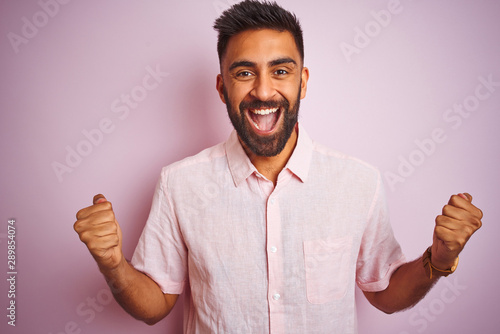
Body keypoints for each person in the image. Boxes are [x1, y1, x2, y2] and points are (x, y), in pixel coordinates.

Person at [73, 1, 483, 333]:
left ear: (302, 82)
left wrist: (441, 257)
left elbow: (386, 293)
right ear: (222, 87)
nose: (264, 90)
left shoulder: (359, 181)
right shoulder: (180, 183)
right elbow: (155, 304)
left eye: (281, 71)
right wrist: (113, 264)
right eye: (244, 72)